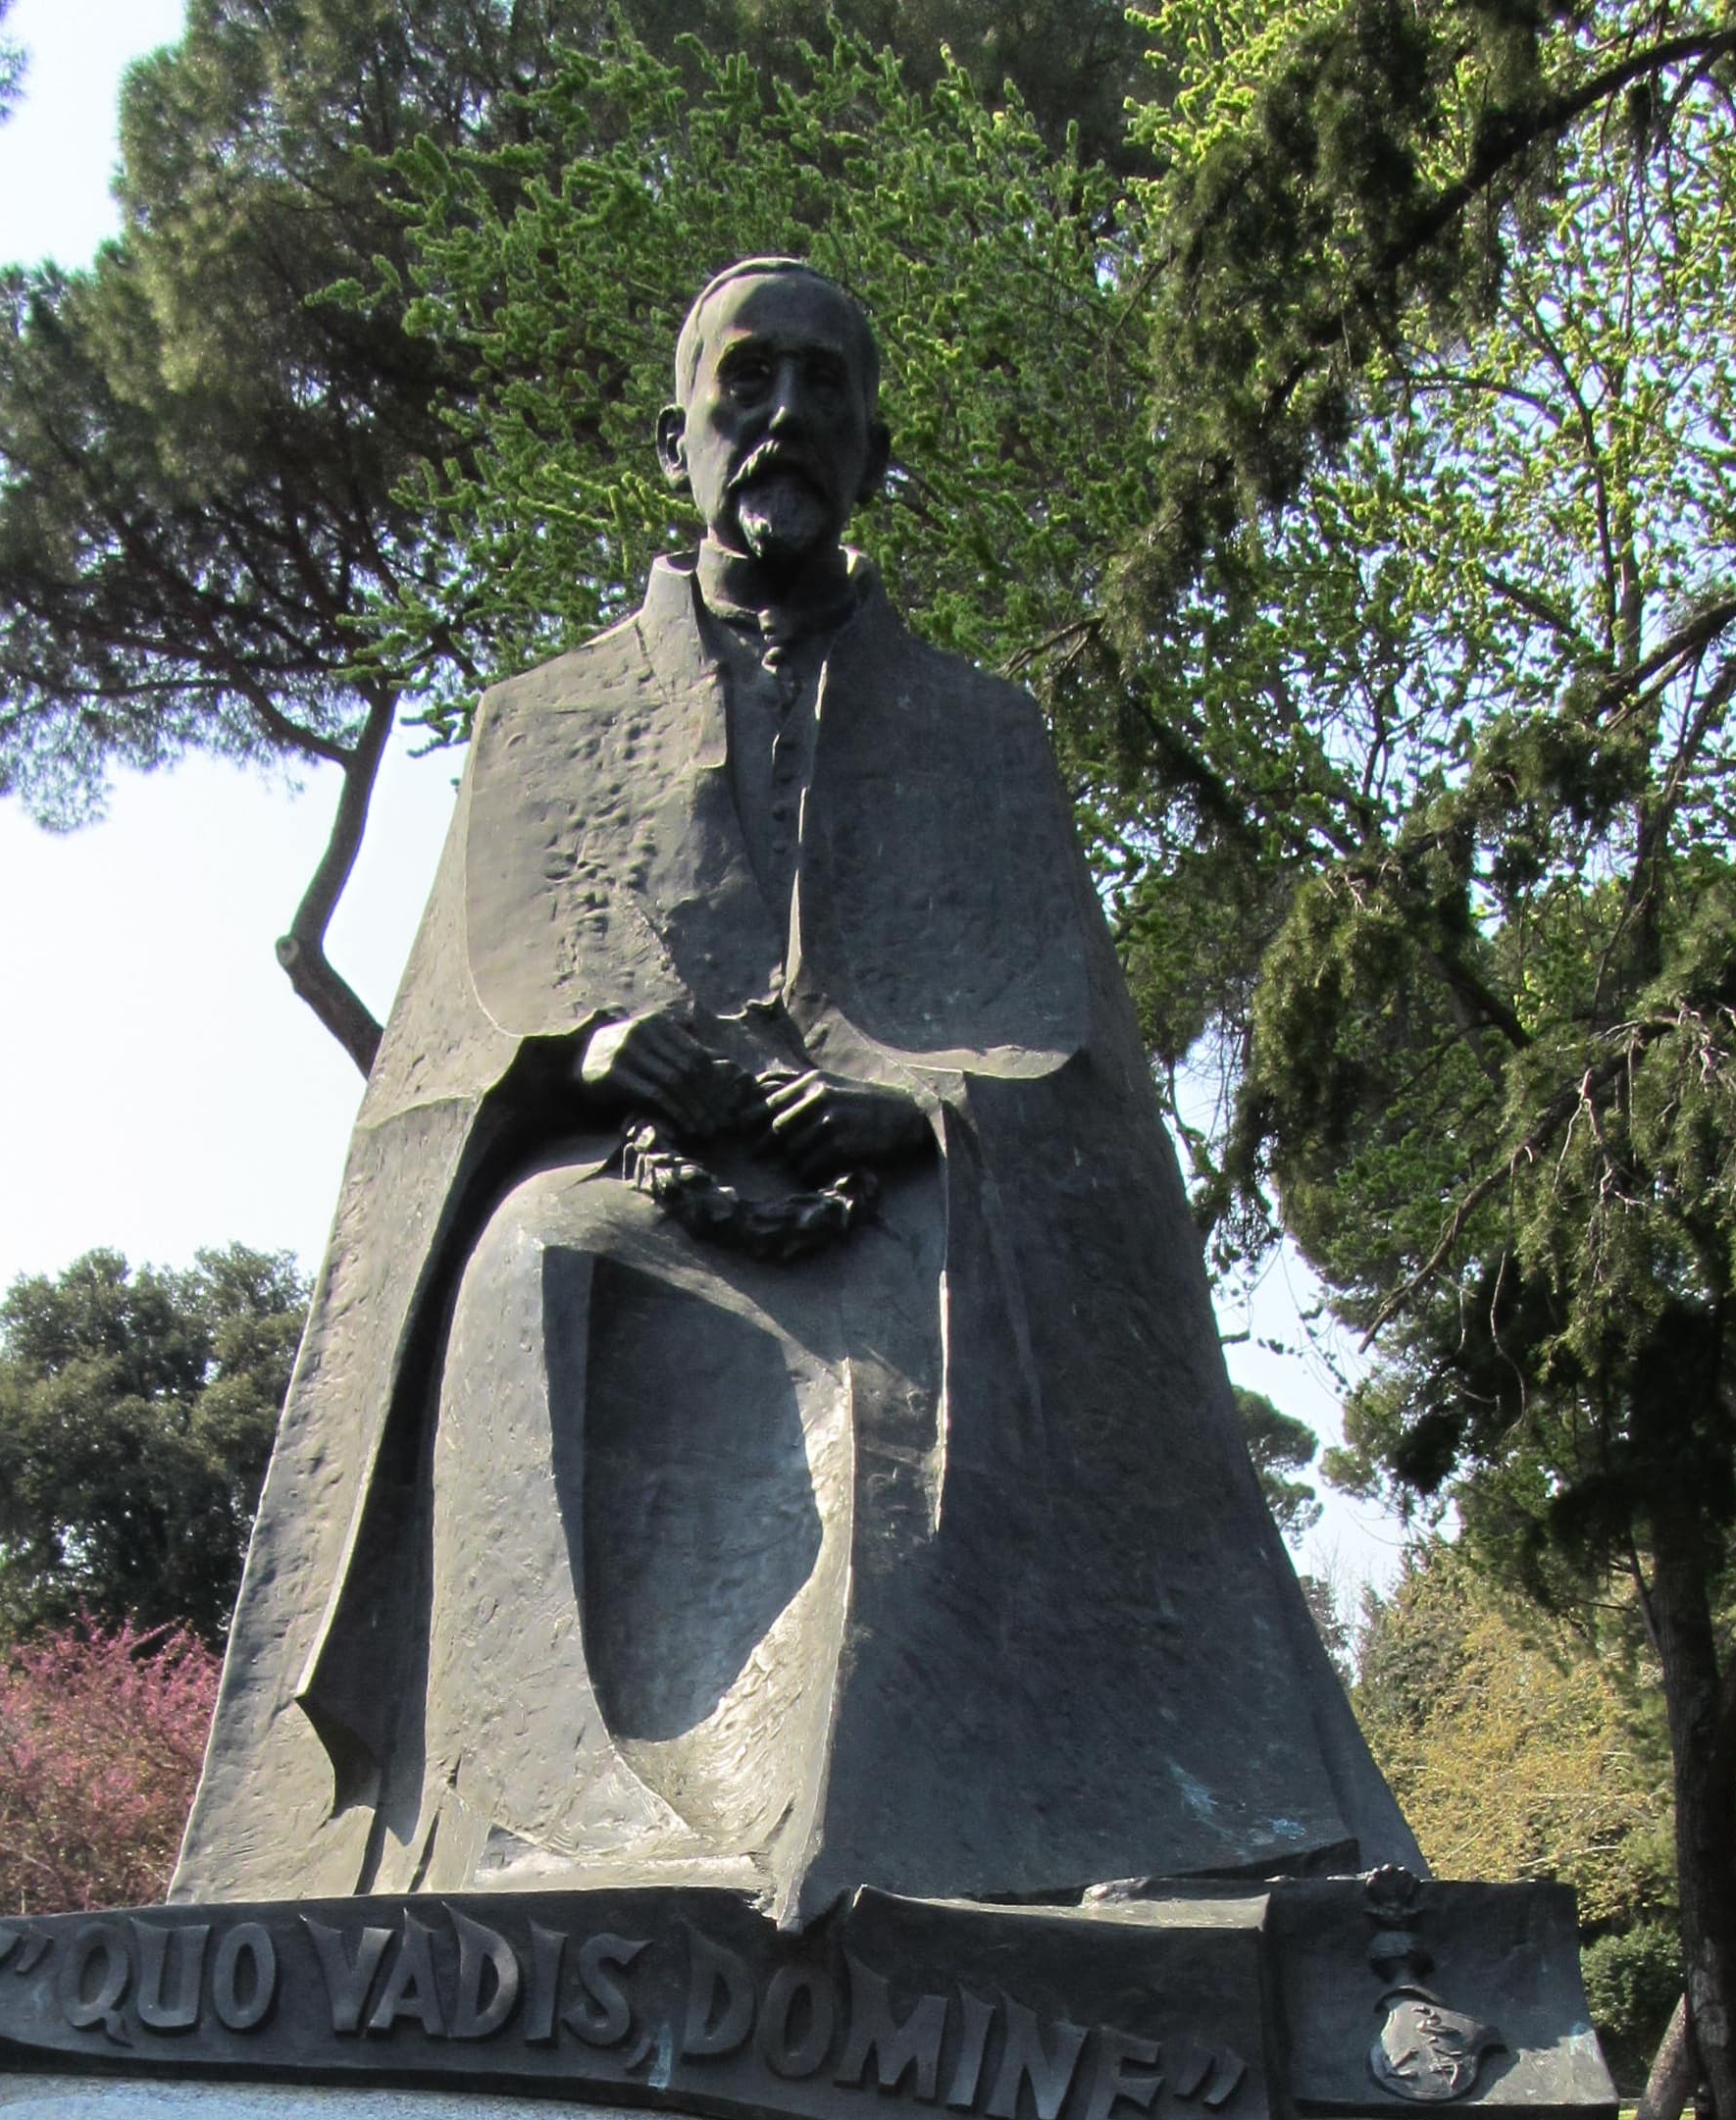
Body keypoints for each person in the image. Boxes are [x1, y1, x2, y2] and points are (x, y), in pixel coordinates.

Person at [174, 257, 1417, 1923]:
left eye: (825, 386)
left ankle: (907, 1861)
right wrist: (588, 1054)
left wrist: (917, 1112)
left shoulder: (982, 733)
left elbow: (1081, 1077)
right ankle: (557, 1822)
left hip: (898, 1210)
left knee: (905, 1371)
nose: (784, 418)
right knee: (527, 1260)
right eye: (746, 380)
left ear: (873, 452)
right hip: (630, 1184)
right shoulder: (538, 723)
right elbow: (433, 1072)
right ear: (670, 436)